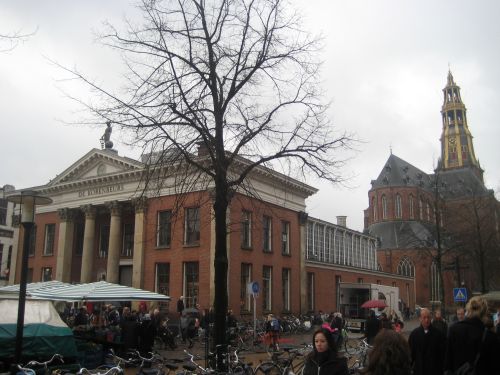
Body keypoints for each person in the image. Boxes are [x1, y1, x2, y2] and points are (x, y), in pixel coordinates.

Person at [444, 296, 500, 374]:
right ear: (484, 313)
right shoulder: (490, 336)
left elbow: (448, 364)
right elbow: (495, 367)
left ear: (468, 310)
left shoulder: (453, 330)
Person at [408, 308, 445, 375]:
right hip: (419, 370)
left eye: (428, 317)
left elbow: (443, 354)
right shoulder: (414, 334)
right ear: (420, 318)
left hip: (435, 370)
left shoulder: (438, 334)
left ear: (431, 318)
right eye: (424, 317)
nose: (426, 320)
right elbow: (410, 354)